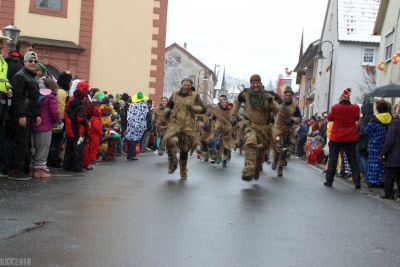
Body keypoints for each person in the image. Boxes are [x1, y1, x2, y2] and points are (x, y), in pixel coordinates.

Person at [230, 74, 278, 181]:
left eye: (257, 83)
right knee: (250, 142)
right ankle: (248, 169)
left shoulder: (267, 96)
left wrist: (271, 101)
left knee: (260, 152)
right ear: (250, 84)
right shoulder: (246, 94)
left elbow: (277, 110)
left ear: (260, 83)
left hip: (263, 129)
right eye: (253, 83)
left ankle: (256, 168)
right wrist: (234, 114)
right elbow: (237, 101)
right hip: (249, 124)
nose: (255, 85)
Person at [161, 78, 206, 179]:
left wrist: (193, 108)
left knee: (184, 150)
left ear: (191, 86)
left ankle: (183, 169)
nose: (186, 87)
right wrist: (167, 111)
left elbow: (203, 109)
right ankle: (173, 162)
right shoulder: (175, 94)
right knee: (171, 141)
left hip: (187, 126)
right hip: (175, 124)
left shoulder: (195, 95)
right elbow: (169, 106)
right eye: (184, 85)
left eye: (188, 85)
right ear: (181, 85)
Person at [8, 52, 41, 180]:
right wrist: (21, 114)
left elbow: (34, 98)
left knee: (25, 143)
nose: (33, 63)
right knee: (21, 143)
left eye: (35, 61)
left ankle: (21, 169)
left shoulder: (31, 77)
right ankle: (17, 170)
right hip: (22, 114)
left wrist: (37, 113)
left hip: (29, 114)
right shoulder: (20, 76)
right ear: (24, 62)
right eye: (30, 61)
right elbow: (18, 98)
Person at [324, 88, 361, 189]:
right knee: (352, 159)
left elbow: (330, 118)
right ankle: (357, 182)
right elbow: (357, 118)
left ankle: (329, 180)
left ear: (341, 99)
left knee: (333, 159)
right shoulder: (356, 108)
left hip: (337, 137)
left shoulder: (335, 108)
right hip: (350, 137)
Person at [31, 84, 62, 178]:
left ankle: (32, 168)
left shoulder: (35, 96)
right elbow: (54, 111)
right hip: (45, 124)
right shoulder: (50, 97)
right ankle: (40, 170)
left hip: (34, 123)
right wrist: (59, 121)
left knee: (34, 147)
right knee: (43, 148)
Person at [271, 86, 302, 176]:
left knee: (284, 149)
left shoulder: (295, 106)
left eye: (290, 95)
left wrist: (292, 120)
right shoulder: (279, 104)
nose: (288, 97)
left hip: (287, 129)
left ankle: (280, 167)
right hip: (277, 128)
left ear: (292, 95)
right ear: (284, 95)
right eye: (286, 95)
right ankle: (275, 158)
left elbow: (299, 119)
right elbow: (272, 111)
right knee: (278, 145)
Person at [364, 101, 392, 188]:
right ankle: (382, 180)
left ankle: (373, 181)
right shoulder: (391, 118)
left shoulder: (375, 119)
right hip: (387, 145)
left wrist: (374, 136)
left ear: (378, 110)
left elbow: (366, 131)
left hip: (375, 145)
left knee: (373, 164)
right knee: (383, 165)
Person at [63, 89, 88, 172]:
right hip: (78, 130)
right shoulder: (81, 106)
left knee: (69, 149)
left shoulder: (70, 104)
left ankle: (67, 166)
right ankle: (77, 167)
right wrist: (86, 124)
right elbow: (81, 118)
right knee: (78, 150)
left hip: (70, 129)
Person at [0, 31, 13, 176]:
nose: (2, 44)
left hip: (2, 98)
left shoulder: (3, 61)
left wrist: (9, 88)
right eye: (1, 41)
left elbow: (4, 80)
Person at [379, 106, 400, 199]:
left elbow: (389, 140)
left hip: (394, 154)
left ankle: (389, 193)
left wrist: (383, 153)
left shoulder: (395, 123)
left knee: (389, 175)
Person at [211, 94, 235, 167]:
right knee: (217, 143)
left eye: (225, 102)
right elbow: (213, 118)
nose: (224, 104)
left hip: (227, 129)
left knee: (226, 145)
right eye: (222, 102)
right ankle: (218, 156)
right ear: (220, 103)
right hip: (219, 128)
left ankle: (224, 159)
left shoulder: (230, 110)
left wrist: (233, 120)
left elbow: (234, 117)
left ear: (227, 103)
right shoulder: (217, 110)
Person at [125, 92, 149, 160]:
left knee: (132, 139)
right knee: (136, 140)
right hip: (140, 125)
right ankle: (131, 154)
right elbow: (145, 115)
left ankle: (132, 153)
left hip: (132, 124)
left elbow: (129, 115)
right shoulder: (144, 105)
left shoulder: (132, 105)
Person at [356, 102, 373, 184]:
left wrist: (356, 138)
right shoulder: (374, 117)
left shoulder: (365, 119)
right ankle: (368, 177)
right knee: (370, 161)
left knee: (364, 161)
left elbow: (362, 132)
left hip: (363, 143)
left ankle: (366, 178)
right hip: (371, 142)